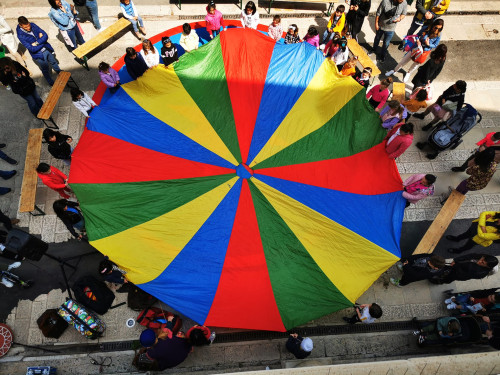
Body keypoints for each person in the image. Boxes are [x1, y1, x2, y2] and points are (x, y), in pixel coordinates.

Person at [16, 16, 61, 86]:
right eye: (25, 27)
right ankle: (50, 81)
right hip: (39, 55)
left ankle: (59, 72)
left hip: (47, 49)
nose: (28, 28)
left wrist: (37, 43)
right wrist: (42, 40)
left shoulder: (33, 25)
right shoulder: (20, 36)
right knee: (45, 69)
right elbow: (32, 49)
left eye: (28, 25)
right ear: (20, 26)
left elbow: (45, 35)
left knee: (54, 62)